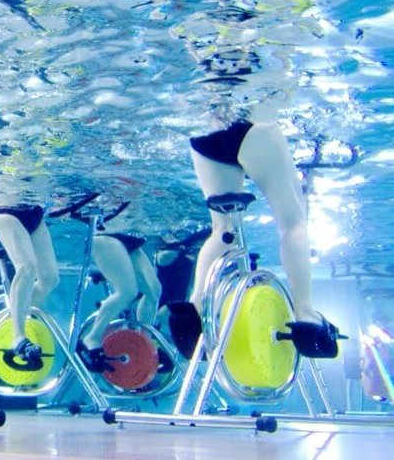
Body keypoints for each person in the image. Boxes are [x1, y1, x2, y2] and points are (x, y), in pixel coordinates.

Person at [167, 88, 343, 359]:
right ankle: (306, 313)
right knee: (293, 223)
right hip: (254, 125)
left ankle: (194, 313)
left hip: (204, 127)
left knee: (222, 229)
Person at [74, 214, 164, 373]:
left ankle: (143, 339)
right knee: (127, 292)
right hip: (106, 237)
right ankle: (91, 337)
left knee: (153, 290)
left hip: (130, 237)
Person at [0, 203, 60, 364]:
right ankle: (17, 336)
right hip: (7, 211)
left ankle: (14, 318)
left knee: (50, 278)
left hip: (35, 213)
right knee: (27, 268)